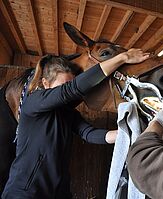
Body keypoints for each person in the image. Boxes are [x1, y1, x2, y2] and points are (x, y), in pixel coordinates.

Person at [2, 49, 150, 199]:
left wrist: (127, 134)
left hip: (60, 193)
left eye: (69, 83)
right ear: (46, 84)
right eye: (62, 85)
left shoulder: (68, 113)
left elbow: (89, 134)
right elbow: (70, 90)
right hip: (25, 193)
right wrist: (123, 57)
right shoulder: (33, 102)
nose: (67, 92)